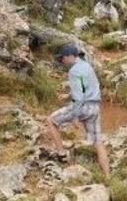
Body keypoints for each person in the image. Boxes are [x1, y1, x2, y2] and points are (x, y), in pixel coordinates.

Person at [47, 45, 111, 179]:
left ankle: (61, 154)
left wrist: (75, 116)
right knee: (98, 142)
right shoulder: (87, 66)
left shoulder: (74, 71)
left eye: (63, 58)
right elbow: (90, 87)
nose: (62, 61)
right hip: (95, 107)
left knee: (51, 121)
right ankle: (107, 176)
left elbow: (79, 97)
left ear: (70, 56)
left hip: (82, 107)